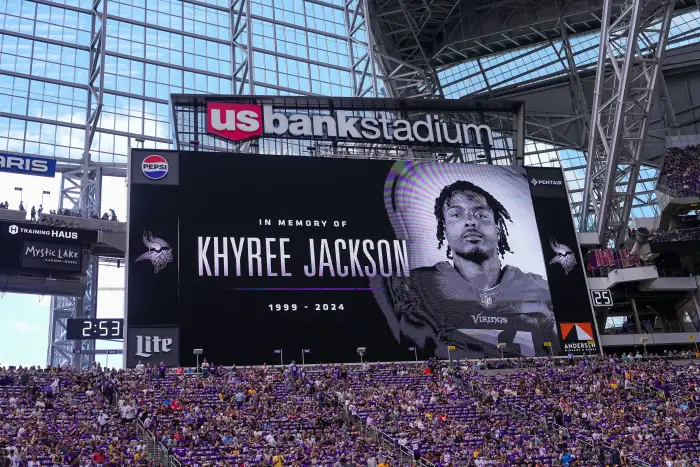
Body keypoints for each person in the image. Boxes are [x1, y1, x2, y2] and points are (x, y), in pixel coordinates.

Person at [378, 179, 559, 358]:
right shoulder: (415, 287)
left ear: (498, 228)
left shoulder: (541, 291)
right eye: (456, 215)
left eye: (481, 215)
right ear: (444, 230)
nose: (470, 222)